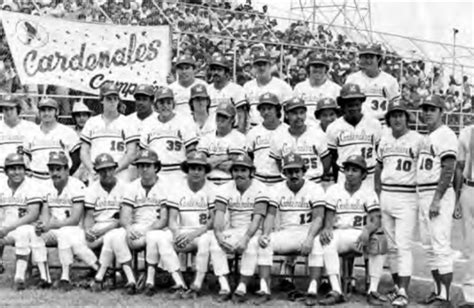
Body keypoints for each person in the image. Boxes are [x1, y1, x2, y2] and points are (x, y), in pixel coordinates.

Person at [91, 149, 166, 295]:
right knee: (115, 235)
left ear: (156, 167)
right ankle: (130, 280)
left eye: (148, 165)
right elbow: (125, 217)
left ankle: (149, 281)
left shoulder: (165, 185)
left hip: (157, 229)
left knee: (154, 237)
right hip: (136, 227)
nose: (143, 169)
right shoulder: (132, 186)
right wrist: (129, 228)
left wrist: (146, 230)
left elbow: (164, 219)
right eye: (140, 165)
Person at [255, 153, 326, 305]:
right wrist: (265, 234)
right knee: (264, 243)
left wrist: (309, 238)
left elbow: (319, 217)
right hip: (286, 233)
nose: (293, 175)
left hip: (307, 232)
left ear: (303, 171)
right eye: (289, 171)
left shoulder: (315, 188)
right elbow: (270, 216)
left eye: (297, 171)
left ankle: (312, 289)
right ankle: (264, 289)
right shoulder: (277, 188)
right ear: (284, 172)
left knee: (318, 243)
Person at [317, 155, 387, 306]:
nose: (349, 173)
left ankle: (372, 290)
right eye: (347, 169)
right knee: (327, 241)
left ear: (363, 174)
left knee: (380, 241)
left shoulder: (368, 192)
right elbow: (328, 216)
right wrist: (327, 228)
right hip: (340, 233)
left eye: (354, 170)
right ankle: (336, 291)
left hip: (359, 234)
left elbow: (376, 219)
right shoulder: (334, 190)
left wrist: (367, 231)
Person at [374, 99, 422, 307]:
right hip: (387, 194)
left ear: (406, 117)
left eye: (400, 115)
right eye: (393, 115)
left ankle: (403, 290)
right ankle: (397, 287)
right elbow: (378, 168)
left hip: (407, 195)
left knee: (403, 245)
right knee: (392, 247)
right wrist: (378, 192)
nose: (397, 118)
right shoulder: (384, 140)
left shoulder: (418, 140)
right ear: (388, 119)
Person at [31, 151, 99, 291]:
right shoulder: (45, 186)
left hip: (75, 230)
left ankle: (65, 277)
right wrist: (42, 226)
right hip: (54, 228)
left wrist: (52, 224)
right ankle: (45, 278)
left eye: (58, 169)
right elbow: (45, 214)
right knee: (35, 235)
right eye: (51, 169)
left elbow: (75, 219)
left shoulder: (77, 185)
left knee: (65, 233)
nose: (55, 173)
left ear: (67, 169)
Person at [210, 153, 270, 303]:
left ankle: (242, 286)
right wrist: (218, 235)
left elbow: (257, 219)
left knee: (251, 245)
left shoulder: (261, 188)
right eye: (236, 170)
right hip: (234, 230)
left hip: (254, 231)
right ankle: (224, 287)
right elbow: (219, 215)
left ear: (251, 172)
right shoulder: (224, 188)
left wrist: (245, 239)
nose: (239, 174)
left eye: (244, 170)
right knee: (215, 242)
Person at [155, 151, 216, 299]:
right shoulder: (177, 188)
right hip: (182, 232)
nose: (196, 172)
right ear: (187, 169)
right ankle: (179, 283)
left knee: (206, 241)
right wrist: (177, 234)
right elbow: (172, 219)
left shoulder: (212, 188)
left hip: (202, 232)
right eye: (192, 168)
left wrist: (193, 234)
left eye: (200, 168)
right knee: (162, 239)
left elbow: (213, 221)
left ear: (205, 171)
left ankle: (197, 284)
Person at [417, 95, 457, 306]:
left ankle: (446, 297)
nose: (427, 112)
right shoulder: (427, 136)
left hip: (437, 193)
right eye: (425, 109)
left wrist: (436, 199)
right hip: (423, 193)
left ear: (442, 112)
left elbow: (448, 168)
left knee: (441, 245)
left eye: (432, 109)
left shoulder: (446, 135)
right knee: (429, 246)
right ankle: (437, 290)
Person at [83, 153, 128, 291]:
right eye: (102, 170)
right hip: (99, 224)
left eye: (109, 169)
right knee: (82, 242)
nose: (107, 173)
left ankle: (106, 274)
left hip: (118, 225)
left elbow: (124, 219)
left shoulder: (125, 187)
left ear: (115, 169)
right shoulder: (92, 189)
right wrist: (88, 231)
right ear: (97, 171)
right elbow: (89, 216)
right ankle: (105, 271)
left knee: (111, 237)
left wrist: (102, 232)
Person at [326, 83, 382, 189]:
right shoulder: (333, 127)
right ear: (342, 106)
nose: (354, 108)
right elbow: (334, 157)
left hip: (369, 176)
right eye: (350, 105)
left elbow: (379, 152)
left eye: (357, 104)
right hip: (346, 176)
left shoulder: (374, 124)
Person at [80, 84, 139, 183]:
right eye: (109, 99)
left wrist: (112, 171)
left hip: (120, 171)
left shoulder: (127, 122)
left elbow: (131, 153)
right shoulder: (92, 122)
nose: (112, 102)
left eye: (115, 99)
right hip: (97, 171)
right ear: (102, 100)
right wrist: (91, 169)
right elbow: (84, 151)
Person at [0, 153, 42, 290]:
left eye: (20, 168)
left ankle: (20, 276)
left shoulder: (32, 185)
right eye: (12, 169)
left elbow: (33, 215)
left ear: (25, 170)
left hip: (25, 226)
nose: (16, 172)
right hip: (4, 227)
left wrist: (7, 229)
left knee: (24, 233)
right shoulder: (1, 185)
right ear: (6, 171)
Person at [140, 87, 198, 183]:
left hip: (179, 173)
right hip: (155, 173)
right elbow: (143, 152)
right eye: (161, 102)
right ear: (156, 106)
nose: (165, 106)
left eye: (168, 102)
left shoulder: (185, 121)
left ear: (173, 104)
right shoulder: (147, 123)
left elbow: (191, 150)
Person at [270, 97, 331, 184]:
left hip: (314, 182)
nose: (299, 117)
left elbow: (326, 161)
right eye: (294, 113)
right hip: (289, 183)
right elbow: (278, 162)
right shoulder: (278, 136)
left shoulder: (318, 134)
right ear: (286, 115)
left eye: (302, 113)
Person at [25, 98, 81, 183]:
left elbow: (76, 158)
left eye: (50, 110)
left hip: (59, 179)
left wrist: (67, 175)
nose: (46, 113)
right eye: (43, 110)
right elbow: (26, 157)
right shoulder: (31, 133)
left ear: (57, 112)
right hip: (36, 179)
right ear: (39, 112)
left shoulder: (67, 132)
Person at [345, 44, 400, 124]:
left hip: (381, 123)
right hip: (358, 123)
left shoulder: (390, 80)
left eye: (371, 57)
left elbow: (395, 105)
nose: (368, 61)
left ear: (378, 58)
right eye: (364, 57)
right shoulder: (352, 79)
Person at [197, 102, 246, 185]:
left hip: (229, 183)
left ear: (232, 120)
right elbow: (201, 162)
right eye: (218, 115)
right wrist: (226, 157)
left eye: (225, 117)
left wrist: (212, 161)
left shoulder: (239, 137)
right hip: (208, 183)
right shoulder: (206, 137)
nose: (220, 119)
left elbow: (233, 165)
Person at [246, 92, 287, 185]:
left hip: (280, 181)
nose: (266, 112)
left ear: (277, 109)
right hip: (258, 180)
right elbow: (249, 158)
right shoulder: (253, 132)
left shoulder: (287, 131)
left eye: (269, 108)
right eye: (263, 109)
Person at [243, 50, 292, 127]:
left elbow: (289, 113)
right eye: (259, 65)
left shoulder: (283, 86)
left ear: (270, 65)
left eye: (264, 64)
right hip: (253, 129)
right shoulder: (247, 86)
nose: (262, 68)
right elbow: (244, 112)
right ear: (254, 67)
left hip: (276, 129)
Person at [0, 95, 40, 181]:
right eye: (5, 109)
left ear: (18, 109)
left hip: (23, 173)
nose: (8, 112)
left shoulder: (31, 128)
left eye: (11, 109)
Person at [456, 123, 474, 308]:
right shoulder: (466, 133)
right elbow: (460, 166)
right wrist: (457, 196)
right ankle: (470, 297)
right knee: (470, 245)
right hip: (470, 189)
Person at [293, 53, 341, 124]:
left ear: (326, 69)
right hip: (304, 130)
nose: (318, 69)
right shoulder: (299, 87)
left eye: (321, 66)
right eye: (315, 66)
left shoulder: (336, 89)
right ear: (309, 68)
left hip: (326, 130)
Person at [207, 54, 247, 132]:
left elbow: (241, 115)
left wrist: (240, 134)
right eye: (213, 70)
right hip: (211, 134)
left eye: (219, 70)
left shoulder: (236, 89)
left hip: (231, 132)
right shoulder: (207, 90)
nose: (216, 72)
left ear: (226, 72)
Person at [169, 54, 208, 119]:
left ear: (194, 69)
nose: (184, 71)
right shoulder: (171, 89)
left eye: (187, 68)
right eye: (181, 68)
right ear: (177, 70)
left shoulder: (204, 86)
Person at [314, 97, 340, 189]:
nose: (329, 118)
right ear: (318, 117)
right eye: (324, 115)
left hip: (339, 177)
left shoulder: (342, 130)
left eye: (332, 114)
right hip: (319, 180)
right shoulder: (313, 133)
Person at [70, 100, 93, 184]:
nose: (81, 118)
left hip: (90, 169)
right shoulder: (70, 133)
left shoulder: (94, 132)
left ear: (88, 117)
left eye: (84, 115)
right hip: (74, 170)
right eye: (78, 116)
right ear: (74, 118)